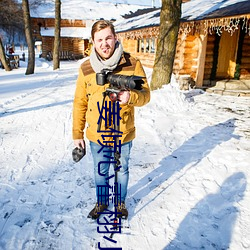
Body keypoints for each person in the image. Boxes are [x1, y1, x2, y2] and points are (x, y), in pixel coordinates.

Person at [72, 20, 150, 220]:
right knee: (101, 171)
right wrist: (77, 134)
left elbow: (146, 95)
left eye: (108, 38)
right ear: (93, 42)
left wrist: (130, 97)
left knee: (121, 169)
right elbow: (80, 102)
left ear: (115, 38)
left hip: (123, 132)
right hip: (97, 135)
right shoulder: (86, 68)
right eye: (99, 40)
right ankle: (102, 202)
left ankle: (120, 203)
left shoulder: (132, 64)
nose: (104, 43)